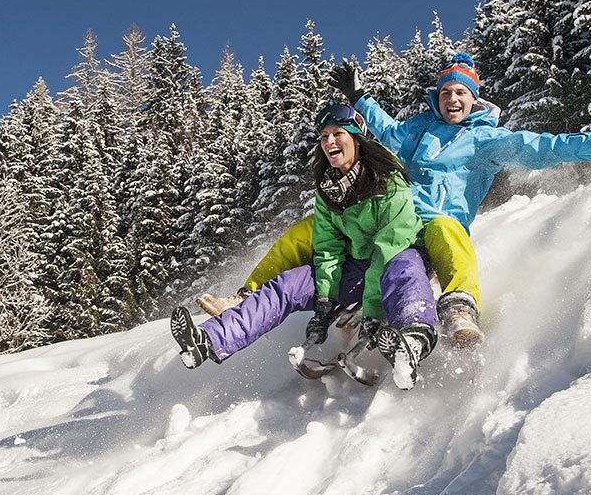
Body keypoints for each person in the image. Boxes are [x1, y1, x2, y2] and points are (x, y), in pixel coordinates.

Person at [198, 52, 591, 347]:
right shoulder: (419, 129)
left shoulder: (487, 140)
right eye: (446, 92)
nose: (452, 98)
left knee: (449, 230)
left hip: (433, 228)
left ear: (473, 99)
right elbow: (388, 131)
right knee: (310, 231)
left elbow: (542, 147)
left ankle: (457, 308)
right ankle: (245, 299)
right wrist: (360, 96)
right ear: (436, 97)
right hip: (391, 219)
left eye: (461, 93)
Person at [171, 102, 439, 388]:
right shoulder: (329, 190)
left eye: (338, 134)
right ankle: (209, 340)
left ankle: (413, 338)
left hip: (398, 257)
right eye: (324, 136)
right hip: (357, 267)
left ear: (357, 138)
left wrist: (373, 311)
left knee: (404, 269)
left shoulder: (387, 180)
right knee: (288, 284)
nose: (329, 142)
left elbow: (390, 247)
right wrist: (324, 303)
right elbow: (328, 249)